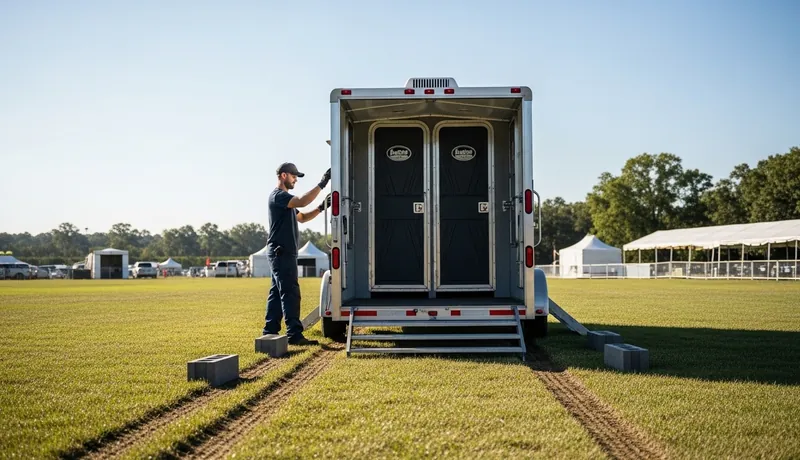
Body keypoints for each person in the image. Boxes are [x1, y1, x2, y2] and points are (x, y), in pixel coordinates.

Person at [262, 162, 331, 345]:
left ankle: (270, 331)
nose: (295, 180)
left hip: (282, 252)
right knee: (290, 292)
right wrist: (322, 184)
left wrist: (322, 208)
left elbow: (302, 218)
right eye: (294, 176)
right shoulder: (279, 196)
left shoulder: (286, 202)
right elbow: (301, 200)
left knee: (277, 292)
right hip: (281, 251)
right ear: (283, 175)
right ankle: (294, 335)